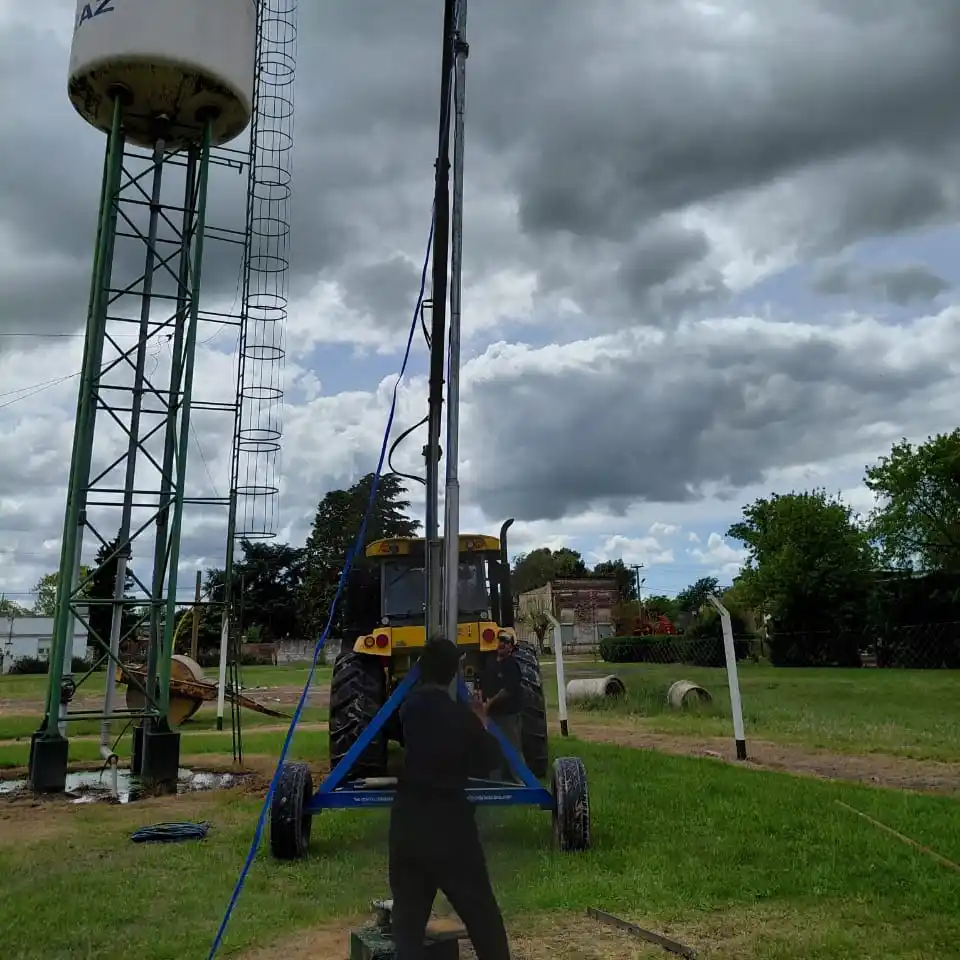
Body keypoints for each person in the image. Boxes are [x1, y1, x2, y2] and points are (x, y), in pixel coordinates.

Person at [389, 638, 513, 960]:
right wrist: (481, 722)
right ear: (453, 672)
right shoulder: (461, 719)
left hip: (408, 825)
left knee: (408, 922)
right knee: (482, 916)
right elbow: (491, 759)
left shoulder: (408, 709)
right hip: (450, 829)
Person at [479, 633, 524, 782]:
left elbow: (508, 690)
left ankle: (521, 781)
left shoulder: (512, 665)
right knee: (493, 748)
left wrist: (489, 703)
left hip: (507, 715)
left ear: (511, 647)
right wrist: (481, 700)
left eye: (506, 642)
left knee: (512, 748)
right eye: (500, 641)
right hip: (492, 715)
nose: (502, 644)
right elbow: (483, 684)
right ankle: (496, 782)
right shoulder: (491, 663)